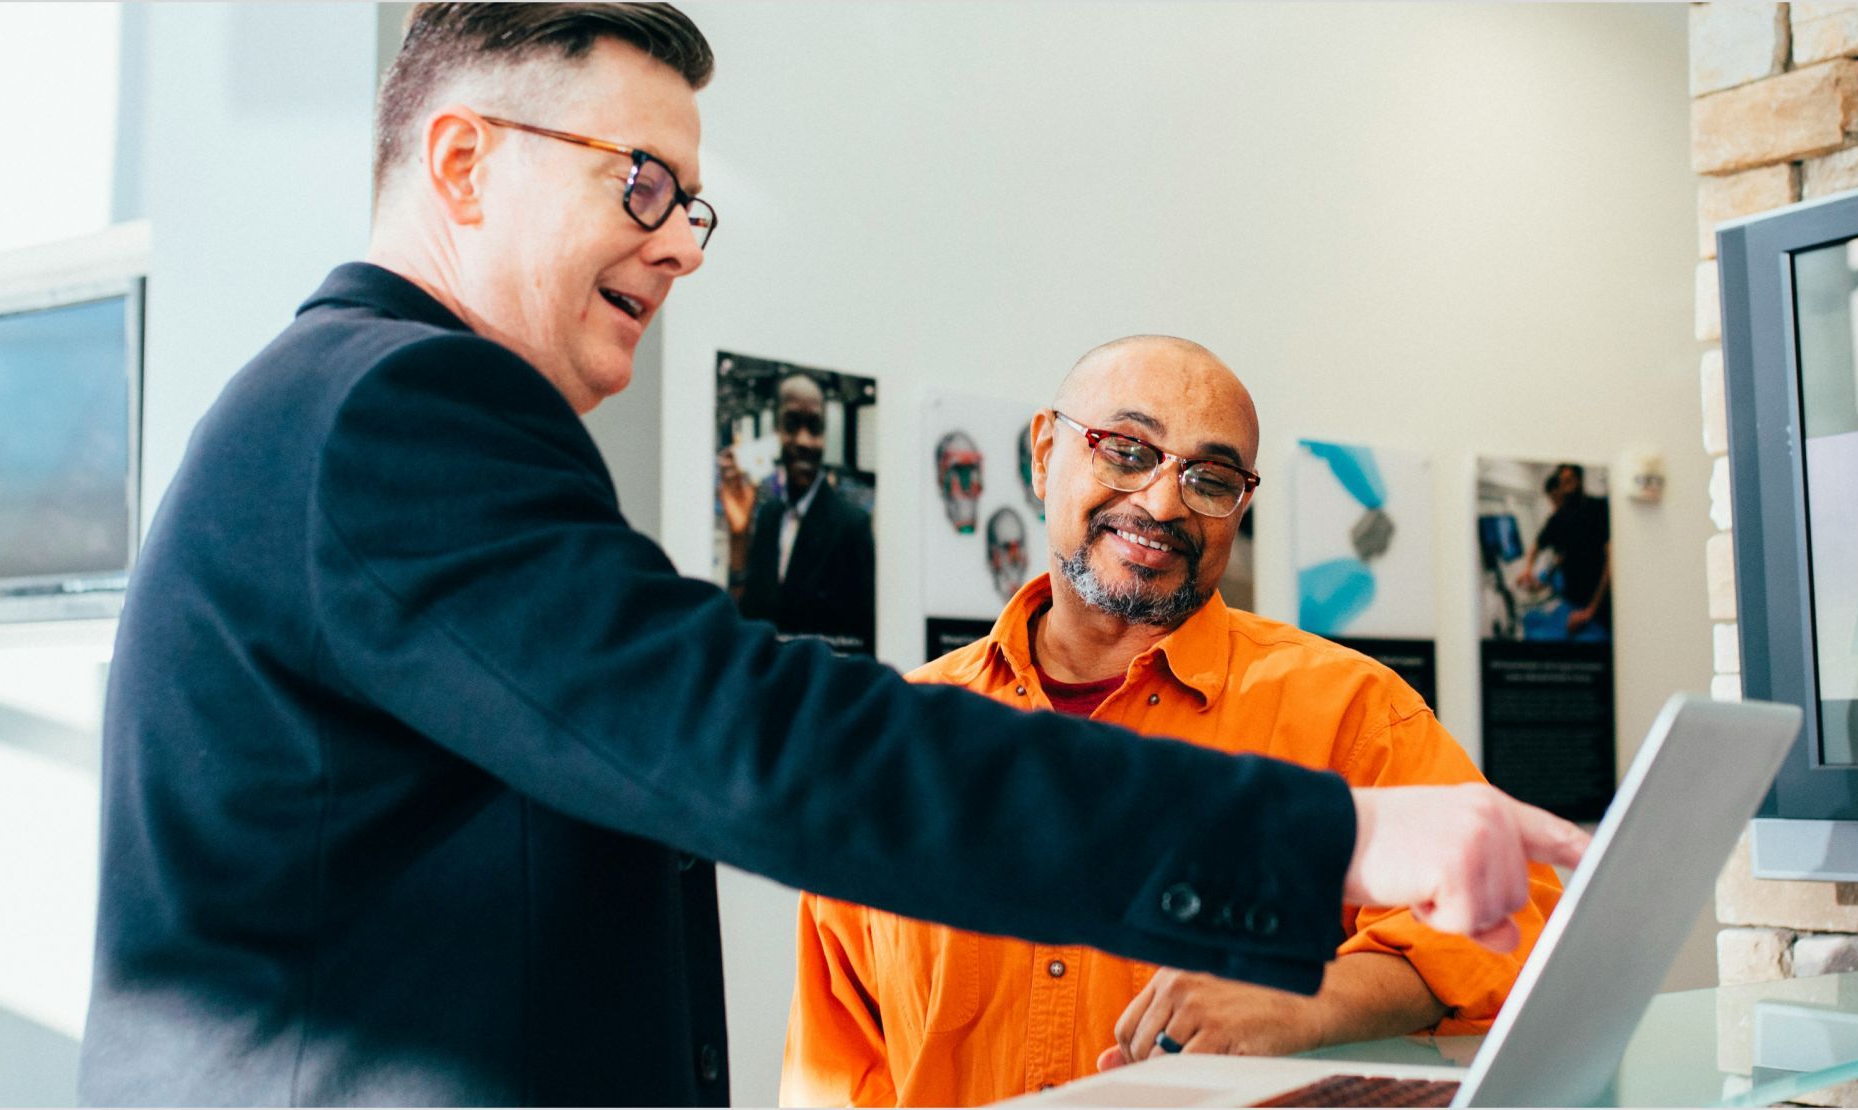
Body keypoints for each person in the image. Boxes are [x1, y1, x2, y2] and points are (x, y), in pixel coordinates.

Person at [79, 6, 1588, 1106]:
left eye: (694, 203)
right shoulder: (396, 406)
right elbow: (751, 742)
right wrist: (1324, 841)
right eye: (641, 182)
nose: (679, 242)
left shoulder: (352, 411)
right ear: (463, 164)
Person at [781, 338, 1567, 1107]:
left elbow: (1517, 931)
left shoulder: (1349, 710)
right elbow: (838, 1067)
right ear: (1044, 451)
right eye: (1127, 450)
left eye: (1211, 477)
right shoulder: (898, 742)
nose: (1162, 504)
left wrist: (1309, 998)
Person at [717, 373, 876, 653]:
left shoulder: (852, 527)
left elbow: (861, 645)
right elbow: (748, 619)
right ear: (777, 430)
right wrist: (739, 537)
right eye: (791, 425)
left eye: (814, 428)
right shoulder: (768, 516)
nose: (803, 441)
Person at [1517, 463, 1613, 640]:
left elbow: (1611, 561)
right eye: (1563, 482)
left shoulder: (1598, 508)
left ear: (1580, 480)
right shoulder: (1558, 519)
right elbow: (1538, 546)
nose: (1567, 487)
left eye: (1570, 480)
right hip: (1572, 601)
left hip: (1600, 604)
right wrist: (1528, 570)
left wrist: (1591, 610)